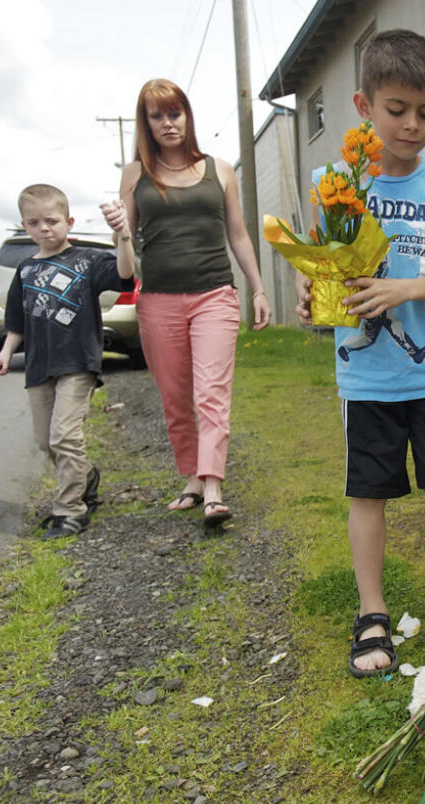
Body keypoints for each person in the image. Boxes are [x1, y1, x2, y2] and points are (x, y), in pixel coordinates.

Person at [296, 29, 425, 677]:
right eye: (397, 109)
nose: (412, 125)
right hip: (365, 375)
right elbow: (319, 263)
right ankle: (371, 611)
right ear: (363, 106)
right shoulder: (337, 182)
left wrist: (406, 286)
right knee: (366, 492)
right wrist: (310, 293)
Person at [100, 78, 271, 528]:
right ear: (147, 123)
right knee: (176, 398)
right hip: (157, 301)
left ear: (187, 116)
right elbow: (125, 267)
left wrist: (257, 287)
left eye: (174, 113)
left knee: (211, 393)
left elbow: (238, 234)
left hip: (215, 295)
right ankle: (193, 480)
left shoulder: (219, 169)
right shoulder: (134, 175)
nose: (168, 123)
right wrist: (119, 232)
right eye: (157, 116)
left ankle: (213, 485)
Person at [0, 184, 136, 538]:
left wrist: (123, 236)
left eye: (52, 221)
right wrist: (5, 354)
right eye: (35, 222)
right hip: (39, 366)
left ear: (68, 221)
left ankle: (70, 511)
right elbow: (16, 322)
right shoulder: (24, 271)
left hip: (77, 363)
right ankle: (87, 477)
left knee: (65, 436)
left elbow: (126, 273)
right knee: (45, 441)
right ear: (25, 226)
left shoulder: (87, 260)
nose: (45, 228)